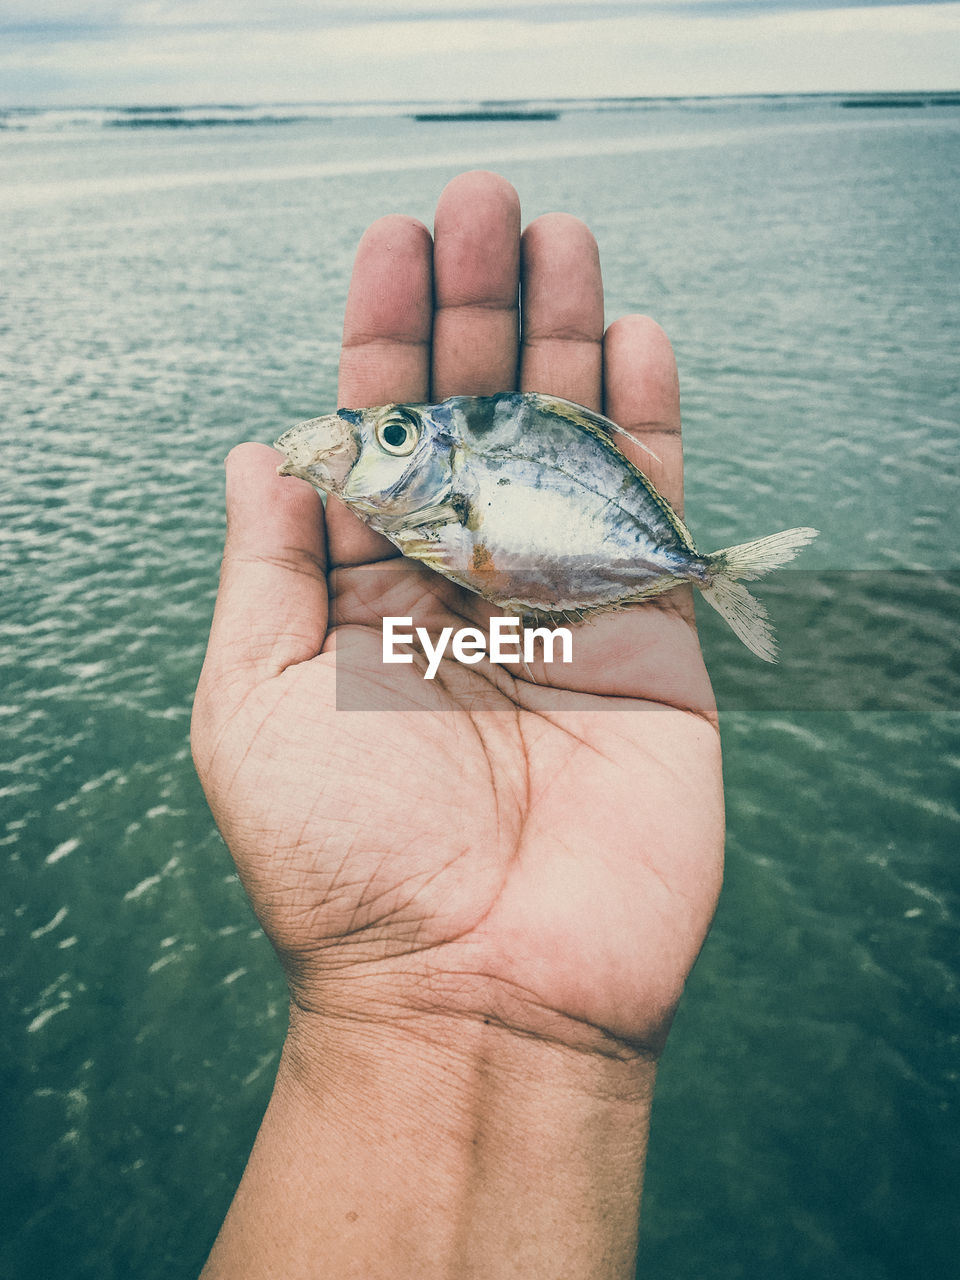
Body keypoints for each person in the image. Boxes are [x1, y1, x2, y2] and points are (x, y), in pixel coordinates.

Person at [190, 170, 724, 1278]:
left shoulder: (442, 481)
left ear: (427, 448)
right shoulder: (422, 490)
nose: (369, 444)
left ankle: (698, 570)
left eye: (390, 433)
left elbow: (486, 529)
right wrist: (415, 994)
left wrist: (398, 1004)